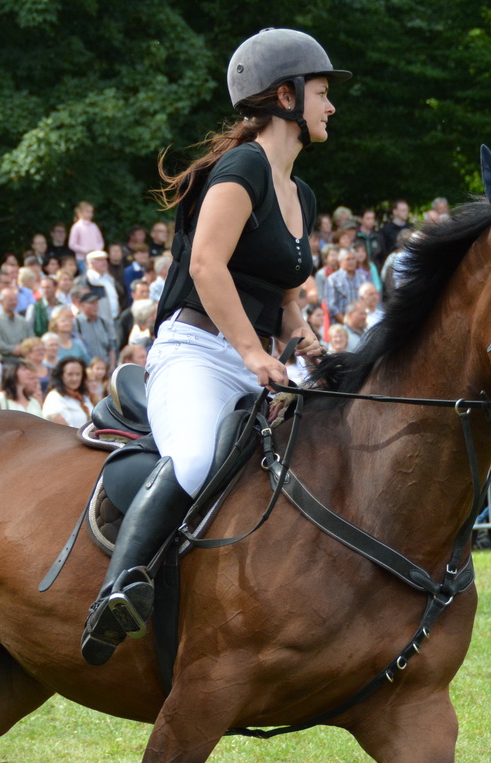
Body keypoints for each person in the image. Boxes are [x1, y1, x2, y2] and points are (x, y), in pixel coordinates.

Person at [79, 28, 343, 665]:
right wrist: (255, 355)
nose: (331, 106)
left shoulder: (301, 194)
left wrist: (318, 352)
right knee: (197, 461)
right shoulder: (244, 166)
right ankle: (116, 593)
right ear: (286, 96)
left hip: (255, 359)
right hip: (195, 352)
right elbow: (206, 266)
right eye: (323, 93)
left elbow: (285, 302)